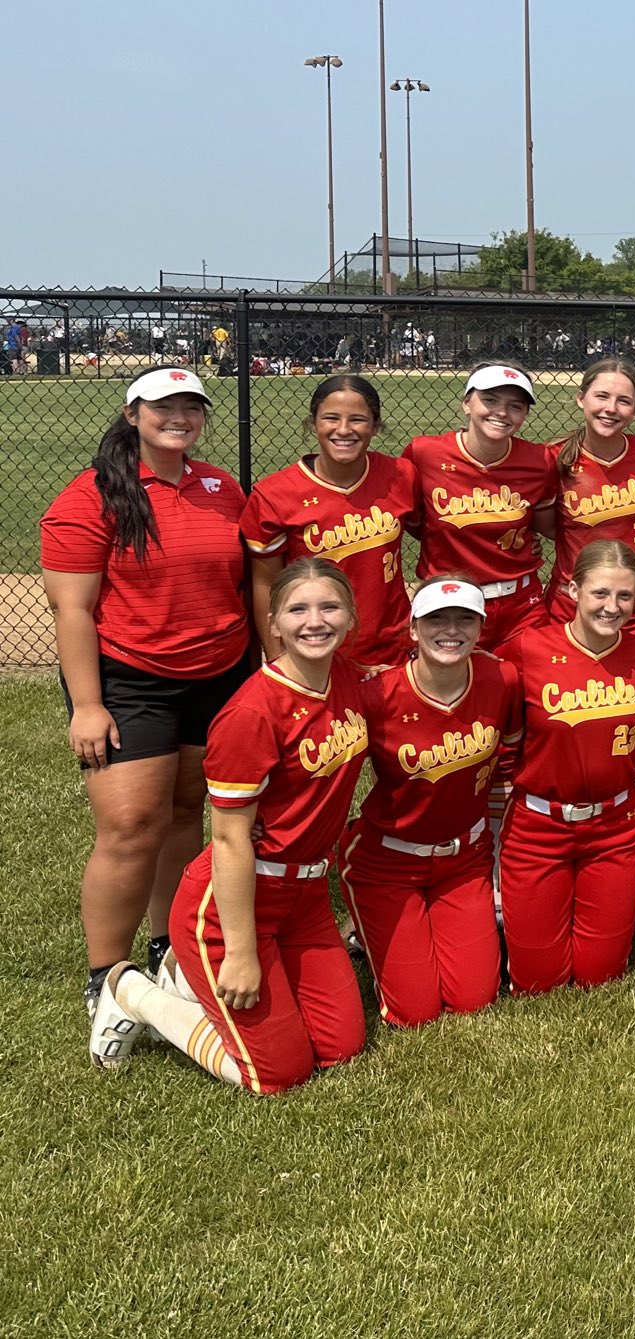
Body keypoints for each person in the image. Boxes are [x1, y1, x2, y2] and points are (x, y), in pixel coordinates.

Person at [89, 559, 370, 1094]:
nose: (315, 621)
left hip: (306, 898)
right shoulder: (252, 713)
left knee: (343, 1049)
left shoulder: (347, 680)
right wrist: (240, 949)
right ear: (273, 621)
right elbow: (228, 838)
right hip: (234, 902)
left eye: (330, 606)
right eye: (298, 609)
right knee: (276, 1076)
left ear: (351, 618)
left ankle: (184, 975)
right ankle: (132, 991)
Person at [45, 368, 252, 1066]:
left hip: (219, 676)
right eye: (165, 407)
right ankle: (106, 975)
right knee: (131, 826)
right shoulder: (92, 495)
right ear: (133, 413)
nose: (180, 417)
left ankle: (170, 948)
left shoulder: (222, 487)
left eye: (192, 406)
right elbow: (71, 608)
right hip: (130, 681)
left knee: (186, 809)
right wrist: (90, 703)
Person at [338, 578, 517, 1027]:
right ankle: (369, 932)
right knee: (414, 1013)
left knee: (474, 999)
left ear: (480, 629)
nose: (451, 630)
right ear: (413, 629)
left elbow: (509, 766)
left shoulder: (501, 678)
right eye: (436, 619)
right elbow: (321, 763)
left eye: (464, 620)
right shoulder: (376, 694)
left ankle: (424, 929)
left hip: (464, 860)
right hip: (388, 863)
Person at [497, 540, 635, 993]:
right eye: (600, 593)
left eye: (625, 596)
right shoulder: (528, 649)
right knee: (539, 982)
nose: (612, 607)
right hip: (538, 826)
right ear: (573, 590)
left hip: (615, 826)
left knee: (600, 975)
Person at [243, 374, 417, 671]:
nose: (344, 430)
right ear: (313, 424)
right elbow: (264, 583)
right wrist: (279, 659)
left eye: (358, 420)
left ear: (375, 426)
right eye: (331, 418)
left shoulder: (401, 475)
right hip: (316, 649)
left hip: (393, 646)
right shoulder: (274, 495)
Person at [403, 363, 558, 653]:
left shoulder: (539, 461)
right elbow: (412, 522)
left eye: (515, 405)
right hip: (452, 604)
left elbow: (542, 523)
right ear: (466, 403)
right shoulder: (425, 453)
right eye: (490, 400)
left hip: (522, 604)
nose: (501, 412)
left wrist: (523, 538)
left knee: (529, 685)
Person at [546, 359, 635, 633]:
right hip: (573, 600)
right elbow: (545, 525)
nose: (611, 408)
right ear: (581, 398)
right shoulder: (555, 459)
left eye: (624, 401)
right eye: (601, 396)